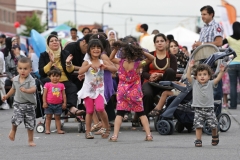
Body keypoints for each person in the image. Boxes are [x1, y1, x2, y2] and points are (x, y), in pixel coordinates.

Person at [108, 40, 155, 142]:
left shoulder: (120, 62)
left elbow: (111, 58)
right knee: (142, 113)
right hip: (135, 92)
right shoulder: (138, 64)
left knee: (119, 113)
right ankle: (148, 135)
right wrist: (141, 51)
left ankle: (115, 135)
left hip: (122, 92)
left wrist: (116, 49)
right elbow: (151, 58)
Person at [39, 34, 85, 116]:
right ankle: (62, 109)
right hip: (50, 80)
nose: (54, 42)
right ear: (48, 44)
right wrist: (51, 62)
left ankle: (71, 108)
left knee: (72, 87)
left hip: (64, 79)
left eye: (56, 40)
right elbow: (42, 72)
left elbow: (70, 71)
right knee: (55, 87)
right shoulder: (44, 55)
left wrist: (68, 63)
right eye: (51, 41)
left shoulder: (65, 53)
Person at [78, 39, 115, 139]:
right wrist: (89, 66)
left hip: (99, 90)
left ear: (101, 50)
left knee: (100, 108)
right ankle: (88, 131)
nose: (96, 49)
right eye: (93, 48)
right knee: (89, 111)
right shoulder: (87, 62)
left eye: (98, 48)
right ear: (89, 50)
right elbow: (80, 71)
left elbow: (115, 69)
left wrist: (106, 66)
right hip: (88, 90)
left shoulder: (102, 61)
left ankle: (106, 127)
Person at [192, 5, 224, 115]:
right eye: (201, 14)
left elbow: (219, 43)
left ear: (211, 14)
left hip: (213, 60)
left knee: (215, 87)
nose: (202, 16)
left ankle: (216, 115)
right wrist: (197, 46)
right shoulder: (204, 28)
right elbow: (202, 44)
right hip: (202, 59)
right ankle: (204, 115)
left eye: (204, 14)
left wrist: (202, 44)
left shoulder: (216, 26)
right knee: (202, 87)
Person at [186, 60, 224, 147]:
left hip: (209, 109)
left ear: (209, 76)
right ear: (196, 77)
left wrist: (221, 71)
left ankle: (215, 136)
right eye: (199, 75)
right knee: (198, 126)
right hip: (198, 109)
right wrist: (190, 67)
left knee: (213, 125)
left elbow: (218, 79)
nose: (202, 77)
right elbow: (188, 76)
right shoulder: (194, 83)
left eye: (204, 74)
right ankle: (198, 140)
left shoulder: (210, 83)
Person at [2, 57, 37, 146]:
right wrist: (6, 96)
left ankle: (30, 140)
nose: (23, 71)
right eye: (20, 68)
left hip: (30, 104)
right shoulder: (15, 79)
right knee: (16, 119)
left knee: (30, 123)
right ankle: (13, 130)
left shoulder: (31, 79)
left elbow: (34, 89)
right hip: (18, 103)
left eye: (25, 69)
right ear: (17, 69)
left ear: (30, 70)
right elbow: (13, 89)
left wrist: (26, 90)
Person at [141, 33, 177, 120]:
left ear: (166, 43)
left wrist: (161, 75)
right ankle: (145, 119)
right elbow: (143, 72)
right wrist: (150, 76)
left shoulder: (172, 57)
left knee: (169, 71)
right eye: (157, 41)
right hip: (151, 82)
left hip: (166, 83)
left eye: (162, 41)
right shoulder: (149, 55)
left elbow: (173, 72)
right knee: (147, 94)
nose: (159, 43)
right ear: (154, 44)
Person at [42, 67, 66, 134]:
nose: (55, 78)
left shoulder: (61, 85)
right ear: (49, 77)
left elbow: (64, 95)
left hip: (58, 104)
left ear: (60, 77)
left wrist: (64, 103)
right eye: (53, 76)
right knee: (48, 117)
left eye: (57, 76)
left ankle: (58, 129)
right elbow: (44, 94)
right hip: (49, 104)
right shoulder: (47, 85)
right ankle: (47, 129)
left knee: (57, 117)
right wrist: (44, 102)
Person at [222, 21, 240, 109]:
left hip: (232, 64)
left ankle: (233, 105)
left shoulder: (229, 38)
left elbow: (220, 44)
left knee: (233, 85)